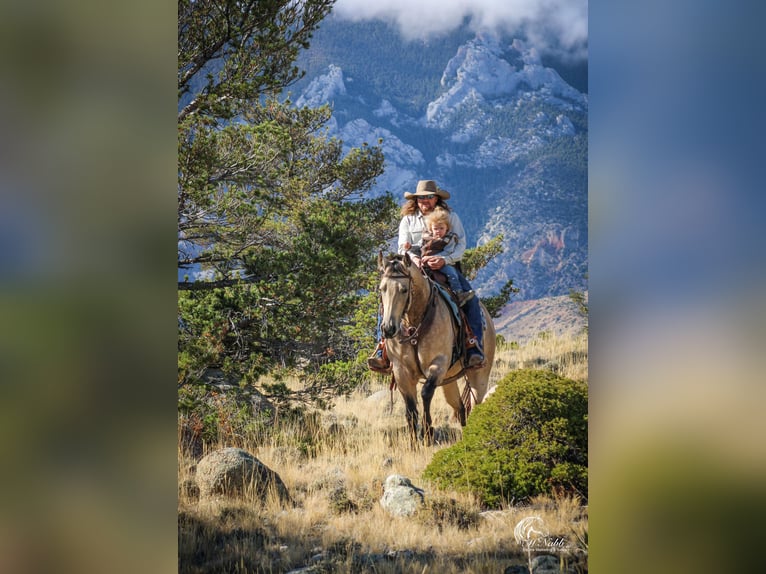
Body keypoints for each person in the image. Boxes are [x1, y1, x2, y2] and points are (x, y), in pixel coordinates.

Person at [368, 179, 485, 371]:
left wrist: (444, 260)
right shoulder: (408, 219)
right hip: (413, 268)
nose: (425, 201)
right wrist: (413, 260)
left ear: (436, 198)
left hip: (444, 266)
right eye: (421, 198)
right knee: (386, 301)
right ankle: (382, 350)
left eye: (429, 197)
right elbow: (402, 245)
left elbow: (461, 245)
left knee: (470, 301)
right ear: (415, 200)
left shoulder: (450, 217)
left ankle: (474, 346)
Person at [414, 207, 474, 307]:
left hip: (442, 261)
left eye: (441, 228)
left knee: (452, 273)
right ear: (430, 229)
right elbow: (419, 246)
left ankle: (458, 293)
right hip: (423, 263)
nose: (438, 231)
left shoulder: (449, 239)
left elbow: (448, 251)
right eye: (435, 229)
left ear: (447, 228)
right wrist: (413, 251)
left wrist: (435, 258)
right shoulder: (426, 237)